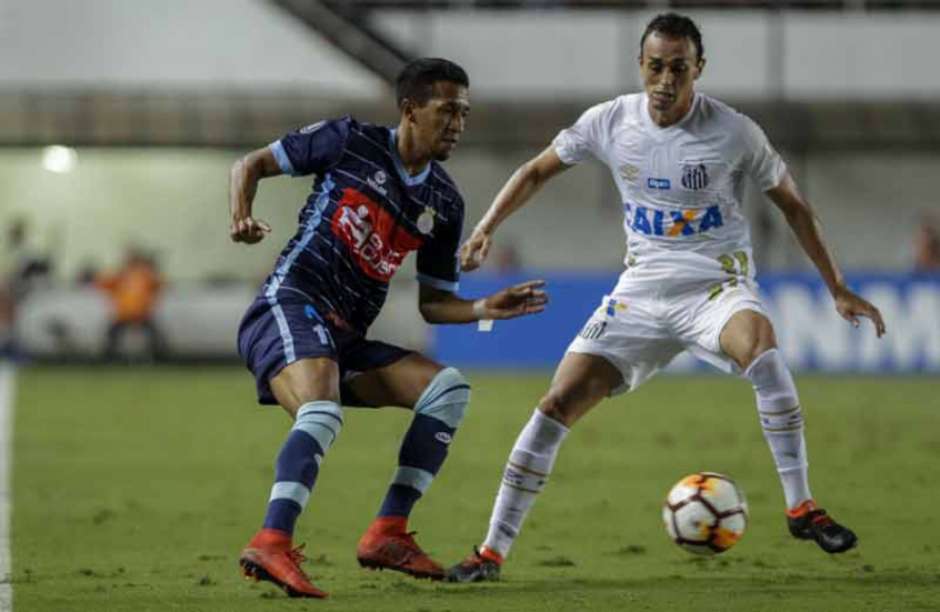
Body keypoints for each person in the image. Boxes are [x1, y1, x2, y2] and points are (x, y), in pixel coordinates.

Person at [446, 13, 886, 583]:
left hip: (715, 288)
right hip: (641, 292)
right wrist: (485, 227)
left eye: (679, 68)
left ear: (699, 69)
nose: (665, 80)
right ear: (640, 65)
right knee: (555, 405)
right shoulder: (610, 121)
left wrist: (837, 286)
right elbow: (535, 171)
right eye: (655, 66)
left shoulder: (734, 131)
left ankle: (801, 508)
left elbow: (794, 207)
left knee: (763, 351)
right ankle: (490, 554)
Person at [230, 58, 547, 598]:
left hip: (344, 338)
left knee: (447, 391)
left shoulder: (444, 202)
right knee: (321, 408)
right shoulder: (348, 141)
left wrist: (483, 308)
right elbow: (250, 164)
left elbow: (434, 304)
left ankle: (388, 532)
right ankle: (272, 540)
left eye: (464, 114)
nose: (458, 124)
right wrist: (241, 215)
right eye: (447, 111)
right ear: (410, 109)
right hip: (289, 303)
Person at [95, 248, 165, 362]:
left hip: (141, 313)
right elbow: (103, 284)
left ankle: (159, 357)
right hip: (125, 314)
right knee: (112, 334)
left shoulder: (144, 274)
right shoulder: (122, 274)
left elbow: (159, 284)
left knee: (155, 335)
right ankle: (108, 358)